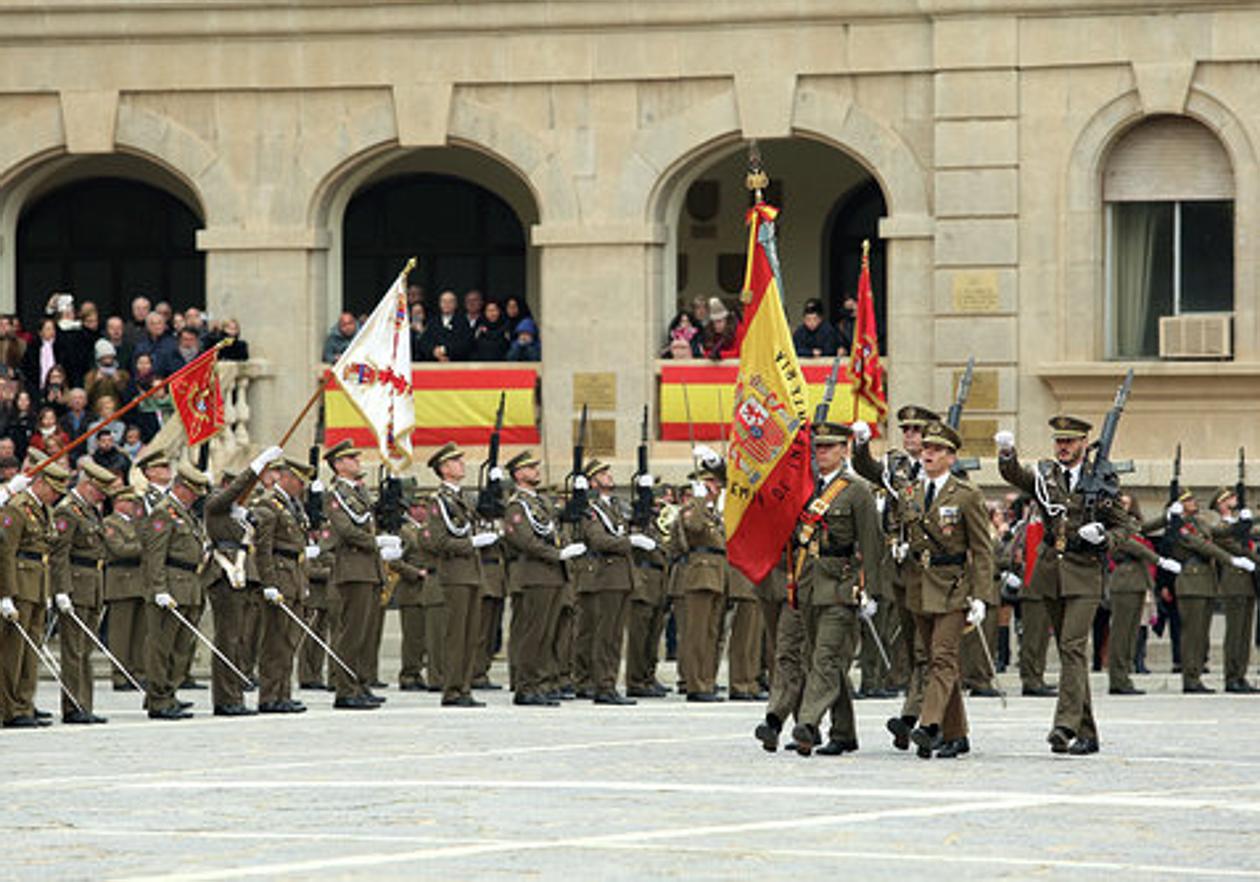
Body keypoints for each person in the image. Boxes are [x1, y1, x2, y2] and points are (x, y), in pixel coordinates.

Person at [997, 416, 1143, 754]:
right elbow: (1017, 476)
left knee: (1073, 647)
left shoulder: (1102, 480)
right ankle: (1088, 733)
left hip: (1084, 572)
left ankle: (1064, 725)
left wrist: (1106, 537)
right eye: (1059, 441)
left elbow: (1129, 524)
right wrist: (1006, 454)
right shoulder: (1047, 476)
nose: (1063, 447)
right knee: (1068, 652)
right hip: (1051, 572)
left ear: (1083, 444)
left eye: (1070, 442)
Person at [897, 421, 993, 759]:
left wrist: (981, 596)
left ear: (951, 457)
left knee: (942, 657)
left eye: (936, 450)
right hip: (919, 585)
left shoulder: (966, 495)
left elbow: (982, 549)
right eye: (925, 449)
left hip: (953, 586)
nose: (928, 455)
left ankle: (930, 725)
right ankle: (957, 733)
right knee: (938, 660)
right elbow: (901, 532)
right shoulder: (909, 493)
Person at [788, 422, 881, 756]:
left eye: (829, 447)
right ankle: (844, 733)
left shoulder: (857, 491)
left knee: (826, 658)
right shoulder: (806, 487)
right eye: (818, 447)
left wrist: (871, 589)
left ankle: (808, 724)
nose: (821, 452)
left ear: (845, 450)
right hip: (809, 584)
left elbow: (871, 545)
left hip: (842, 587)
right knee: (824, 660)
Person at [851, 405, 938, 750]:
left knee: (927, 646)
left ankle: (914, 716)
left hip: (929, 568)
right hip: (898, 566)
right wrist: (860, 445)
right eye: (906, 430)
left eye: (917, 430)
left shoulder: (942, 470)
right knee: (912, 642)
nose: (911, 436)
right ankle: (923, 716)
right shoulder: (896, 465)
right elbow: (867, 469)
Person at [501, 449, 582, 706]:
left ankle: (543, 683)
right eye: (530, 467)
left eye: (536, 466)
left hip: (552, 576)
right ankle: (526, 686)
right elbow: (524, 540)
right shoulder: (517, 506)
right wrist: (557, 554)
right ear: (518, 474)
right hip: (535, 574)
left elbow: (557, 529)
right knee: (534, 634)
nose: (536, 470)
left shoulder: (541, 504)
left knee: (548, 634)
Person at [203, 452, 276, 717]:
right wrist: (255, 468)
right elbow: (233, 492)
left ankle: (235, 693)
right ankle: (225, 698)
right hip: (225, 577)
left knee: (242, 641)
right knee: (228, 640)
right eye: (238, 486)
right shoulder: (215, 506)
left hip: (245, 578)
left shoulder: (241, 515)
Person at [141, 461, 212, 720]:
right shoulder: (163, 513)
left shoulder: (185, 513)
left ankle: (168, 693)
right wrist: (159, 588)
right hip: (170, 586)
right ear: (181, 488)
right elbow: (154, 556)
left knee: (181, 648)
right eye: (192, 492)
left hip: (189, 587)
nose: (195, 498)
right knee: (162, 647)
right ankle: (159, 700)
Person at [0, 464, 69, 728]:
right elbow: (6, 552)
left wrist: (49, 590)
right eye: (52, 488)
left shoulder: (43, 510)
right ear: (39, 483)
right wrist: (5, 594)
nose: (55, 495)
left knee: (31, 651)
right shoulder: (17, 508)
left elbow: (45, 551)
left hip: (37, 585)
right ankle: (10, 708)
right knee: (13, 652)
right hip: (19, 585)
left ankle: (24, 703)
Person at [420, 442, 489, 707]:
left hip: (472, 573)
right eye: (456, 461)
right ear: (445, 469)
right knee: (456, 635)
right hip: (455, 574)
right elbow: (438, 541)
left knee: (471, 636)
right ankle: (451, 689)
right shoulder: (439, 501)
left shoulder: (463, 499)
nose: (462, 464)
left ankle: (464, 687)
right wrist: (471, 544)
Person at [50, 458, 118, 724]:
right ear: (88, 485)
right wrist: (61, 590)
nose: (102, 497)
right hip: (76, 585)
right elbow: (60, 555)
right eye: (99, 491)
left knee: (85, 650)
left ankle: (83, 704)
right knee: (74, 651)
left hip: (92, 585)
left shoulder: (89, 511)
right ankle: (73, 705)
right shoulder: (68, 511)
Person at [324, 440, 388, 710]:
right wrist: (377, 543)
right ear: (338, 465)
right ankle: (345, 689)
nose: (357, 461)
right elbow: (347, 530)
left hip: (367, 568)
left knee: (364, 633)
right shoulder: (336, 494)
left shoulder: (357, 493)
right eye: (350, 458)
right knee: (351, 634)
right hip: (353, 569)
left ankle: (360, 684)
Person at [572, 459, 643, 705]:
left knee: (613, 636)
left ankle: (606, 682)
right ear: (592, 482)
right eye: (602, 474)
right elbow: (598, 539)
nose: (608, 476)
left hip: (621, 577)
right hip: (607, 577)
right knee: (605, 635)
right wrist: (630, 542)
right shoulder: (590, 509)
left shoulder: (612, 507)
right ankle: (603, 685)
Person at [1163, 488, 1247, 693]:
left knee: (1201, 636)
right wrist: (1231, 559)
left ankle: (1196, 675)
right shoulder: (1180, 526)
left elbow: (1222, 533)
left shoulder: (1198, 523)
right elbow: (1201, 545)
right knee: (1192, 634)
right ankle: (1190, 679)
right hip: (1191, 583)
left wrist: (1245, 521)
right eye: (1188, 500)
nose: (1194, 502)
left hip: (1206, 583)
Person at [254, 456, 317, 714]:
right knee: (275, 641)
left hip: (295, 576)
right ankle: (269, 696)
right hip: (280, 576)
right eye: (299, 481)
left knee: (289, 640)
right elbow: (263, 548)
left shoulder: (293, 506)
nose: (301, 487)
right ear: (286, 478)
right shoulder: (270, 505)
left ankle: (283, 693)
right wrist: (269, 582)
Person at [677, 455, 727, 702]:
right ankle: (695, 684)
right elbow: (695, 528)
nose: (716, 489)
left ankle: (706, 681)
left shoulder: (713, 513)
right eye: (712, 485)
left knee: (710, 633)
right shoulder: (692, 510)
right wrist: (698, 498)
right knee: (696, 634)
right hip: (700, 575)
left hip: (716, 575)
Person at [1106, 493, 1163, 695]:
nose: (1124, 506)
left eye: (1127, 503)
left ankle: (1124, 676)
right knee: (1121, 633)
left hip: (1137, 581)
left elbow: (1145, 528)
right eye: (1120, 503)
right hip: (1124, 581)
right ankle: (1117, 679)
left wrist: (1168, 516)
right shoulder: (1113, 525)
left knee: (1131, 634)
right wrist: (1157, 560)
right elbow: (1131, 545)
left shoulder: (1130, 524)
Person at [1209, 487, 1260, 693]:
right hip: (1234, 582)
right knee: (1235, 633)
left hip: (1247, 583)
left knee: (1245, 633)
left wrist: (1251, 521)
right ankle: (1231, 677)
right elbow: (1238, 548)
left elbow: (1251, 533)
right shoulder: (1220, 526)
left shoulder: (1240, 524)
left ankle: (1241, 675)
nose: (1235, 500)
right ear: (1221, 504)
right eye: (1230, 498)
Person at [102, 485, 147, 692]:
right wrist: (146, 547)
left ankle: (138, 672)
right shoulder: (110, 523)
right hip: (121, 579)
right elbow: (119, 549)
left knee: (139, 633)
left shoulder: (137, 524)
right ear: (118, 502)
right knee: (120, 633)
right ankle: (120, 674)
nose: (133, 506)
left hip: (138, 580)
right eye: (129, 502)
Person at [391, 483, 433, 691]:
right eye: (418, 507)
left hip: (427, 591)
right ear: (411, 510)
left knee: (425, 637)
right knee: (413, 638)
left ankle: (418, 673)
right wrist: (416, 573)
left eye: (425, 508)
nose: (422, 511)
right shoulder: (405, 532)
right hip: (411, 591)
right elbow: (395, 561)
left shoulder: (429, 530)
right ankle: (408, 675)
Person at [21, 317, 71, 398]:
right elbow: (27, 368)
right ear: (40, 332)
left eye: (53, 329)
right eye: (48, 329)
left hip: (59, 387)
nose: (51, 332)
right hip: (37, 387)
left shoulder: (61, 347)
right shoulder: (33, 348)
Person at [418, 291, 474, 362]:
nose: (446, 304)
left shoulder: (463, 322)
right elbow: (424, 342)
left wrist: (446, 350)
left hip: (456, 364)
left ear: (456, 304)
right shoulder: (433, 321)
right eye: (444, 301)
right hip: (433, 364)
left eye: (450, 302)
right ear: (440, 304)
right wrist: (434, 352)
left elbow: (466, 344)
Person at [83, 340, 130, 411]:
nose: (108, 359)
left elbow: (127, 396)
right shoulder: (91, 375)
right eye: (104, 357)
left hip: (117, 410)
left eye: (110, 356)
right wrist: (96, 381)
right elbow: (87, 396)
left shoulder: (122, 374)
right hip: (96, 410)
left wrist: (118, 381)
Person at [133, 312, 181, 378]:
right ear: (147, 326)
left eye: (159, 323)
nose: (157, 326)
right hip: (145, 382)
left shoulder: (173, 343)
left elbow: (176, 367)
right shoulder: (141, 345)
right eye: (153, 324)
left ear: (164, 325)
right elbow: (135, 367)